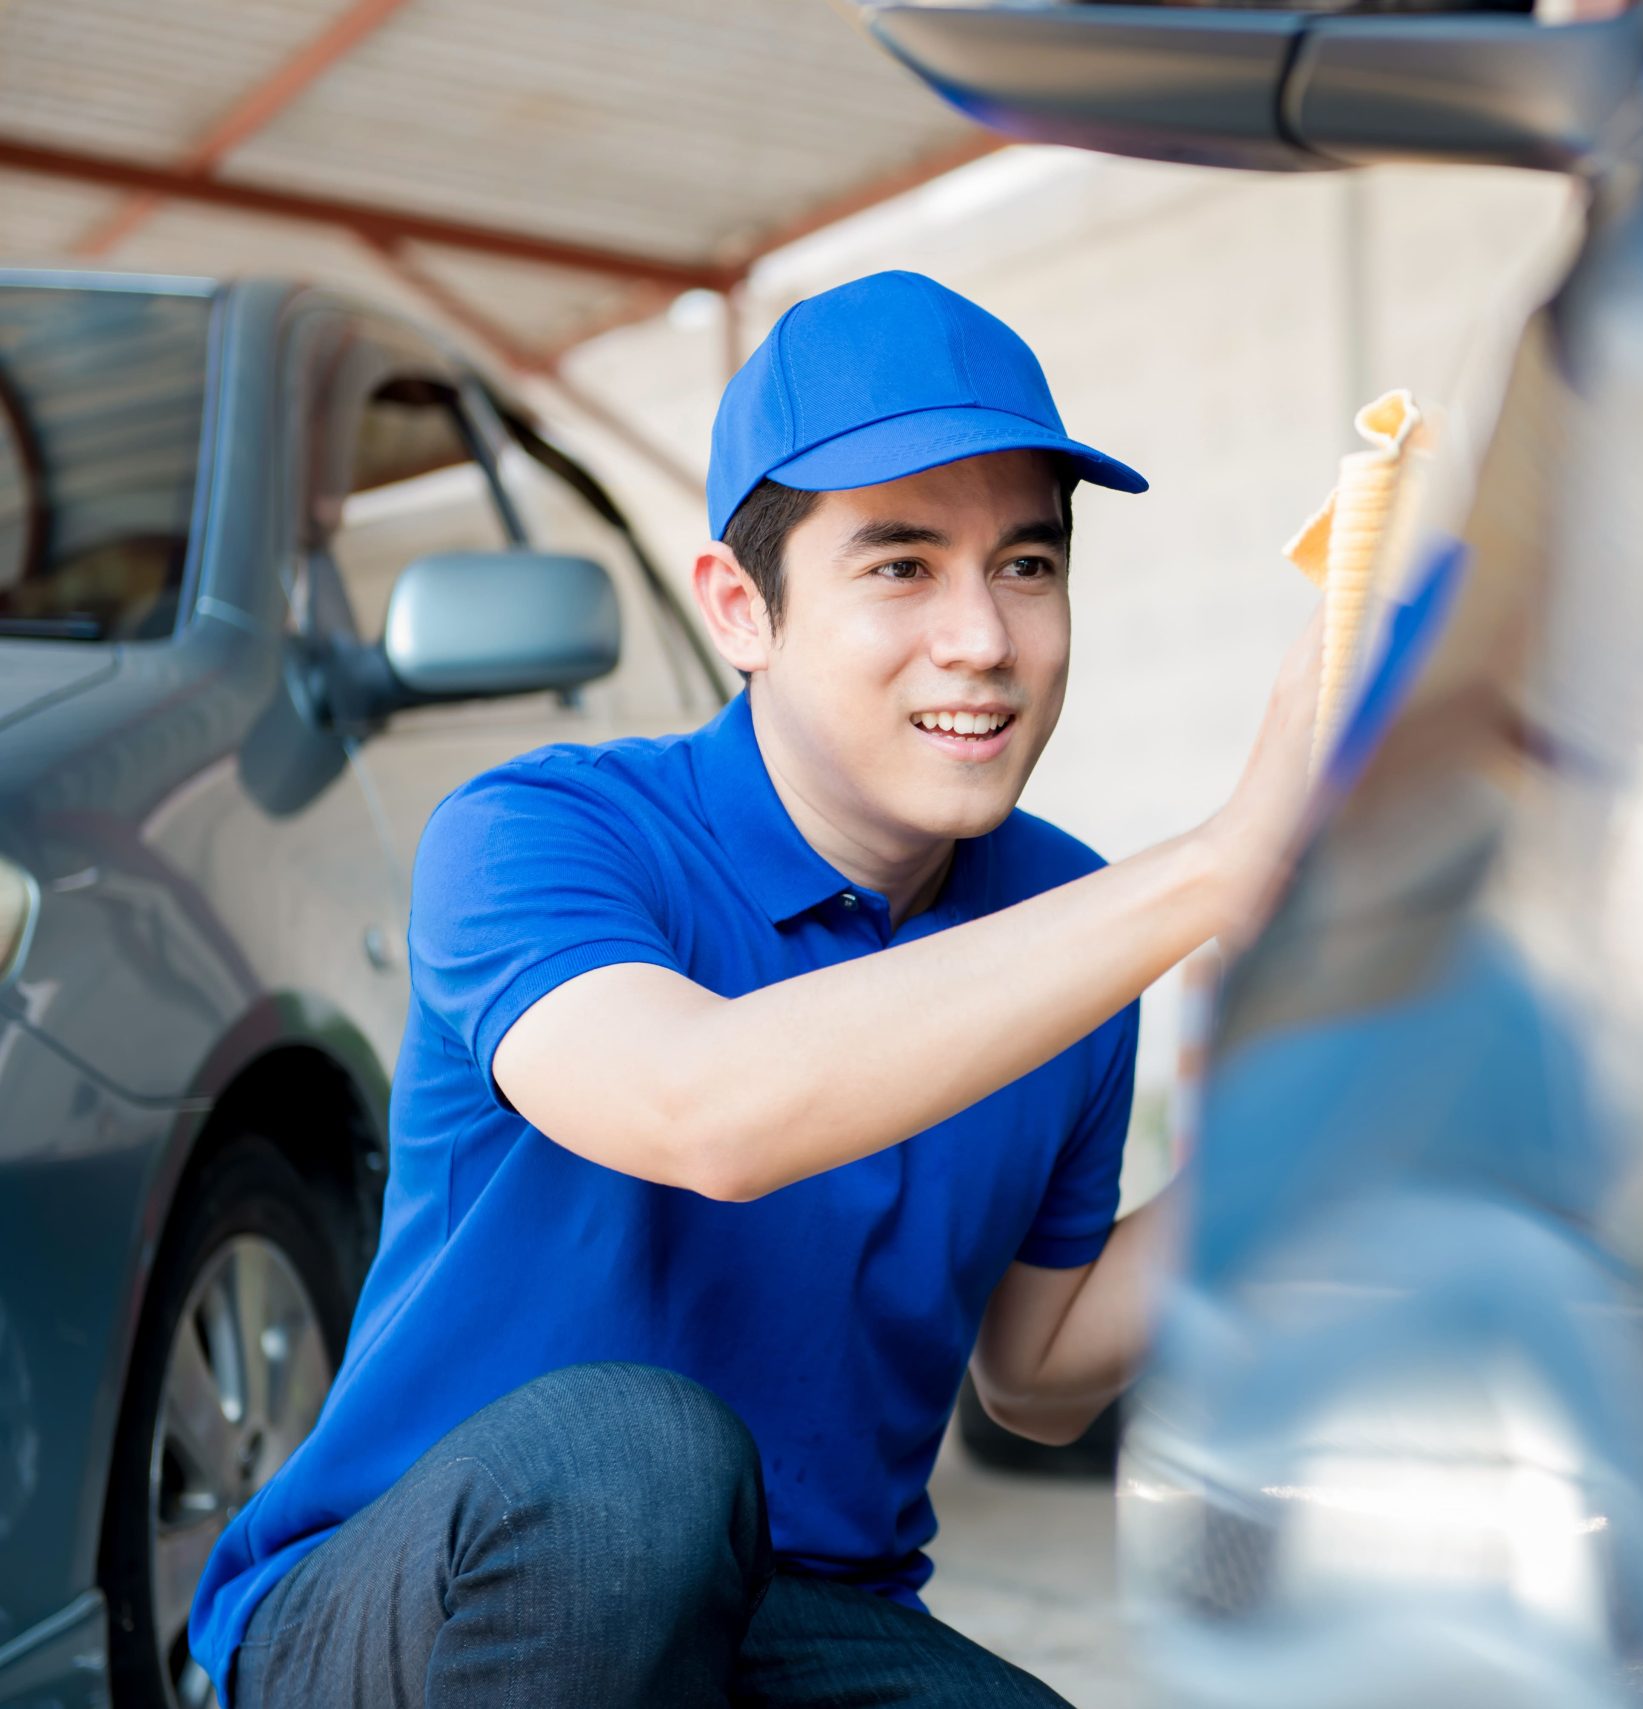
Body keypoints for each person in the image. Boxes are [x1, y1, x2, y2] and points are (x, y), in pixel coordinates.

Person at [189, 269, 1320, 1708]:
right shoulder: (541, 832)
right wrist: (1219, 870)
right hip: (421, 1610)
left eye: (1027, 565)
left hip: (784, 1618)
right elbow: (703, 1105)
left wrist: (1332, 1105)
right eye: (902, 565)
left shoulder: (1065, 925)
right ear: (741, 607)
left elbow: (1037, 1373)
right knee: (634, 1468)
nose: (982, 637)